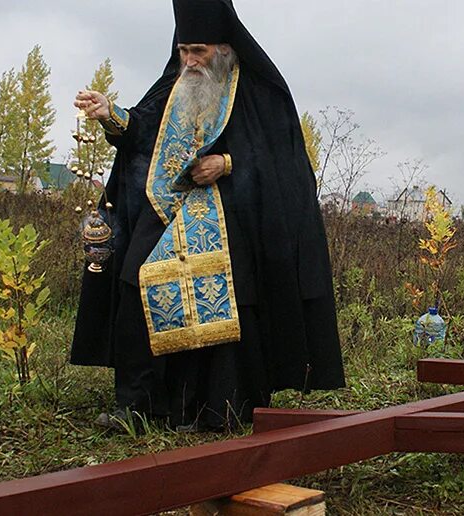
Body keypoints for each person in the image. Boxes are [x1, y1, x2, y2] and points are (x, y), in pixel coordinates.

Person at [70, 0, 345, 432]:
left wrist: (227, 163)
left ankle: (218, 407)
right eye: (183, 51)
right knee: (131, 278)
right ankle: (138, 406)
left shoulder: (255, 89)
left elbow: (280, 158)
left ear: (223, 47)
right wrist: (111, 115)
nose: (190, 61)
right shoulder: (174, 83)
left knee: (228, 293)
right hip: (166, 205)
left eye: (198, 51)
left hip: (233, 211)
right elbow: (142, 129)